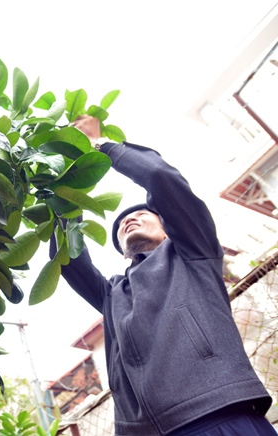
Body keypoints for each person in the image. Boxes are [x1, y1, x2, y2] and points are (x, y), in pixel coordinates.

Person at [51, 115, 275, 435]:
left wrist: (98, 145)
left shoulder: (192, 251)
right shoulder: (112, 294)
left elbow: (160, 177)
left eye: (142, 214)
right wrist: (66, 186)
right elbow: (67, 259)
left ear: (169, 226)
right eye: (121, 226)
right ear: (121, 250)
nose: (129, 220)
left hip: (219, 414)